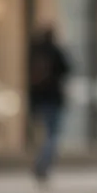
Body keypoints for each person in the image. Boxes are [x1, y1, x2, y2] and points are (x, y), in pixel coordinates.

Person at [28, 26, 70, 184]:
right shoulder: (55, 51)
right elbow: (67, 69)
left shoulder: (35, 52)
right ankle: (42, 165)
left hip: (39, 100)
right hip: (53, 100)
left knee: (45, 135)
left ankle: (41, 164)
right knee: (52, 136)